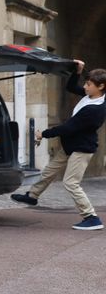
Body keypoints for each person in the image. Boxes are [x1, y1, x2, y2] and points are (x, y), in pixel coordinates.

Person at [11, 59, 106, 230]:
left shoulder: (96, 109)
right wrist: (78, 71)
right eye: (85, 83)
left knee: (71, 183)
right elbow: (70, 87)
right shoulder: (90, 96)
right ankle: (32, 196)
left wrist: (43, 134)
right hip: (71, 146)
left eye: (89, 84)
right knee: (49, 171)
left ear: (100, 86)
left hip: (82, 149)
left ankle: (91, 217)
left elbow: (68, 128)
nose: (85, 86)